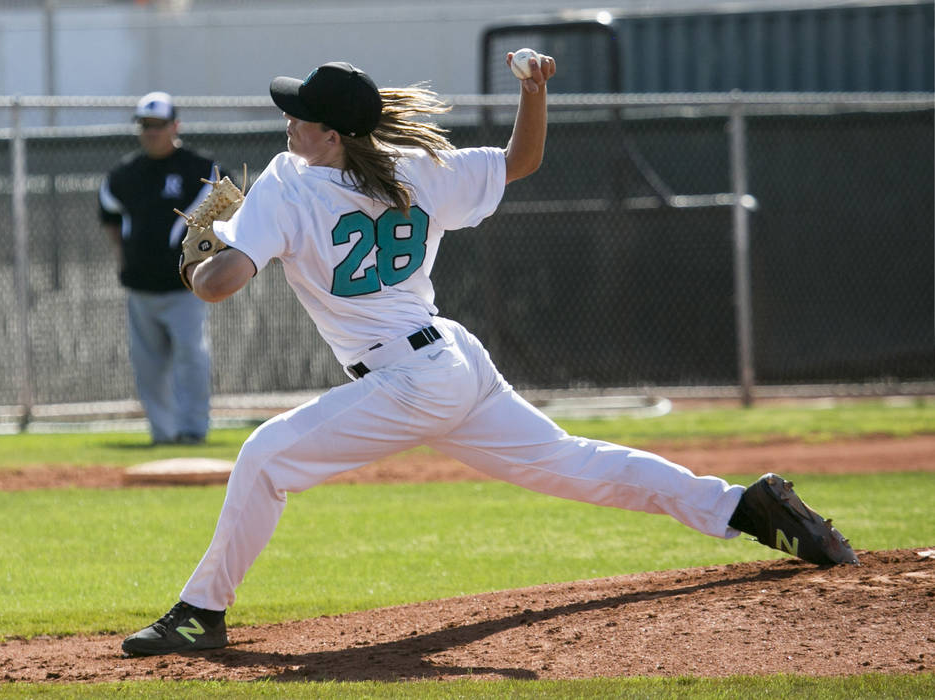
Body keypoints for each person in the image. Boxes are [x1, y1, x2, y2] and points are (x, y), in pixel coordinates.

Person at [121, 56, 857, 657]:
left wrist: (204, 237)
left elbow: (216, 288)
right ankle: (741, 506)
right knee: (575, 462)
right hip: (449, 360)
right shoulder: (414, 167)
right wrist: (533, 92)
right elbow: (522, 159)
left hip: (407, 377)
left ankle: (199, 614)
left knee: (264, 457)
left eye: (300, 115)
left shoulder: (287, 181)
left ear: (333, 134)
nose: (289, 122)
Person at [99, 91, 223, 446]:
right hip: (141, 287)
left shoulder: (200, 169)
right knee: (148, 365)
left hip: (185, 286)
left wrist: (210, 258)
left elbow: (226, 211)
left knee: (191, 358)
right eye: (145, 126)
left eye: (158, 125)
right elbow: (109, 217)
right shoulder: (124, 173)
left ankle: (193, 430)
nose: (151, 132)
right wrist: (122, 256)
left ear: (175, 125)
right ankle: (164, 433)